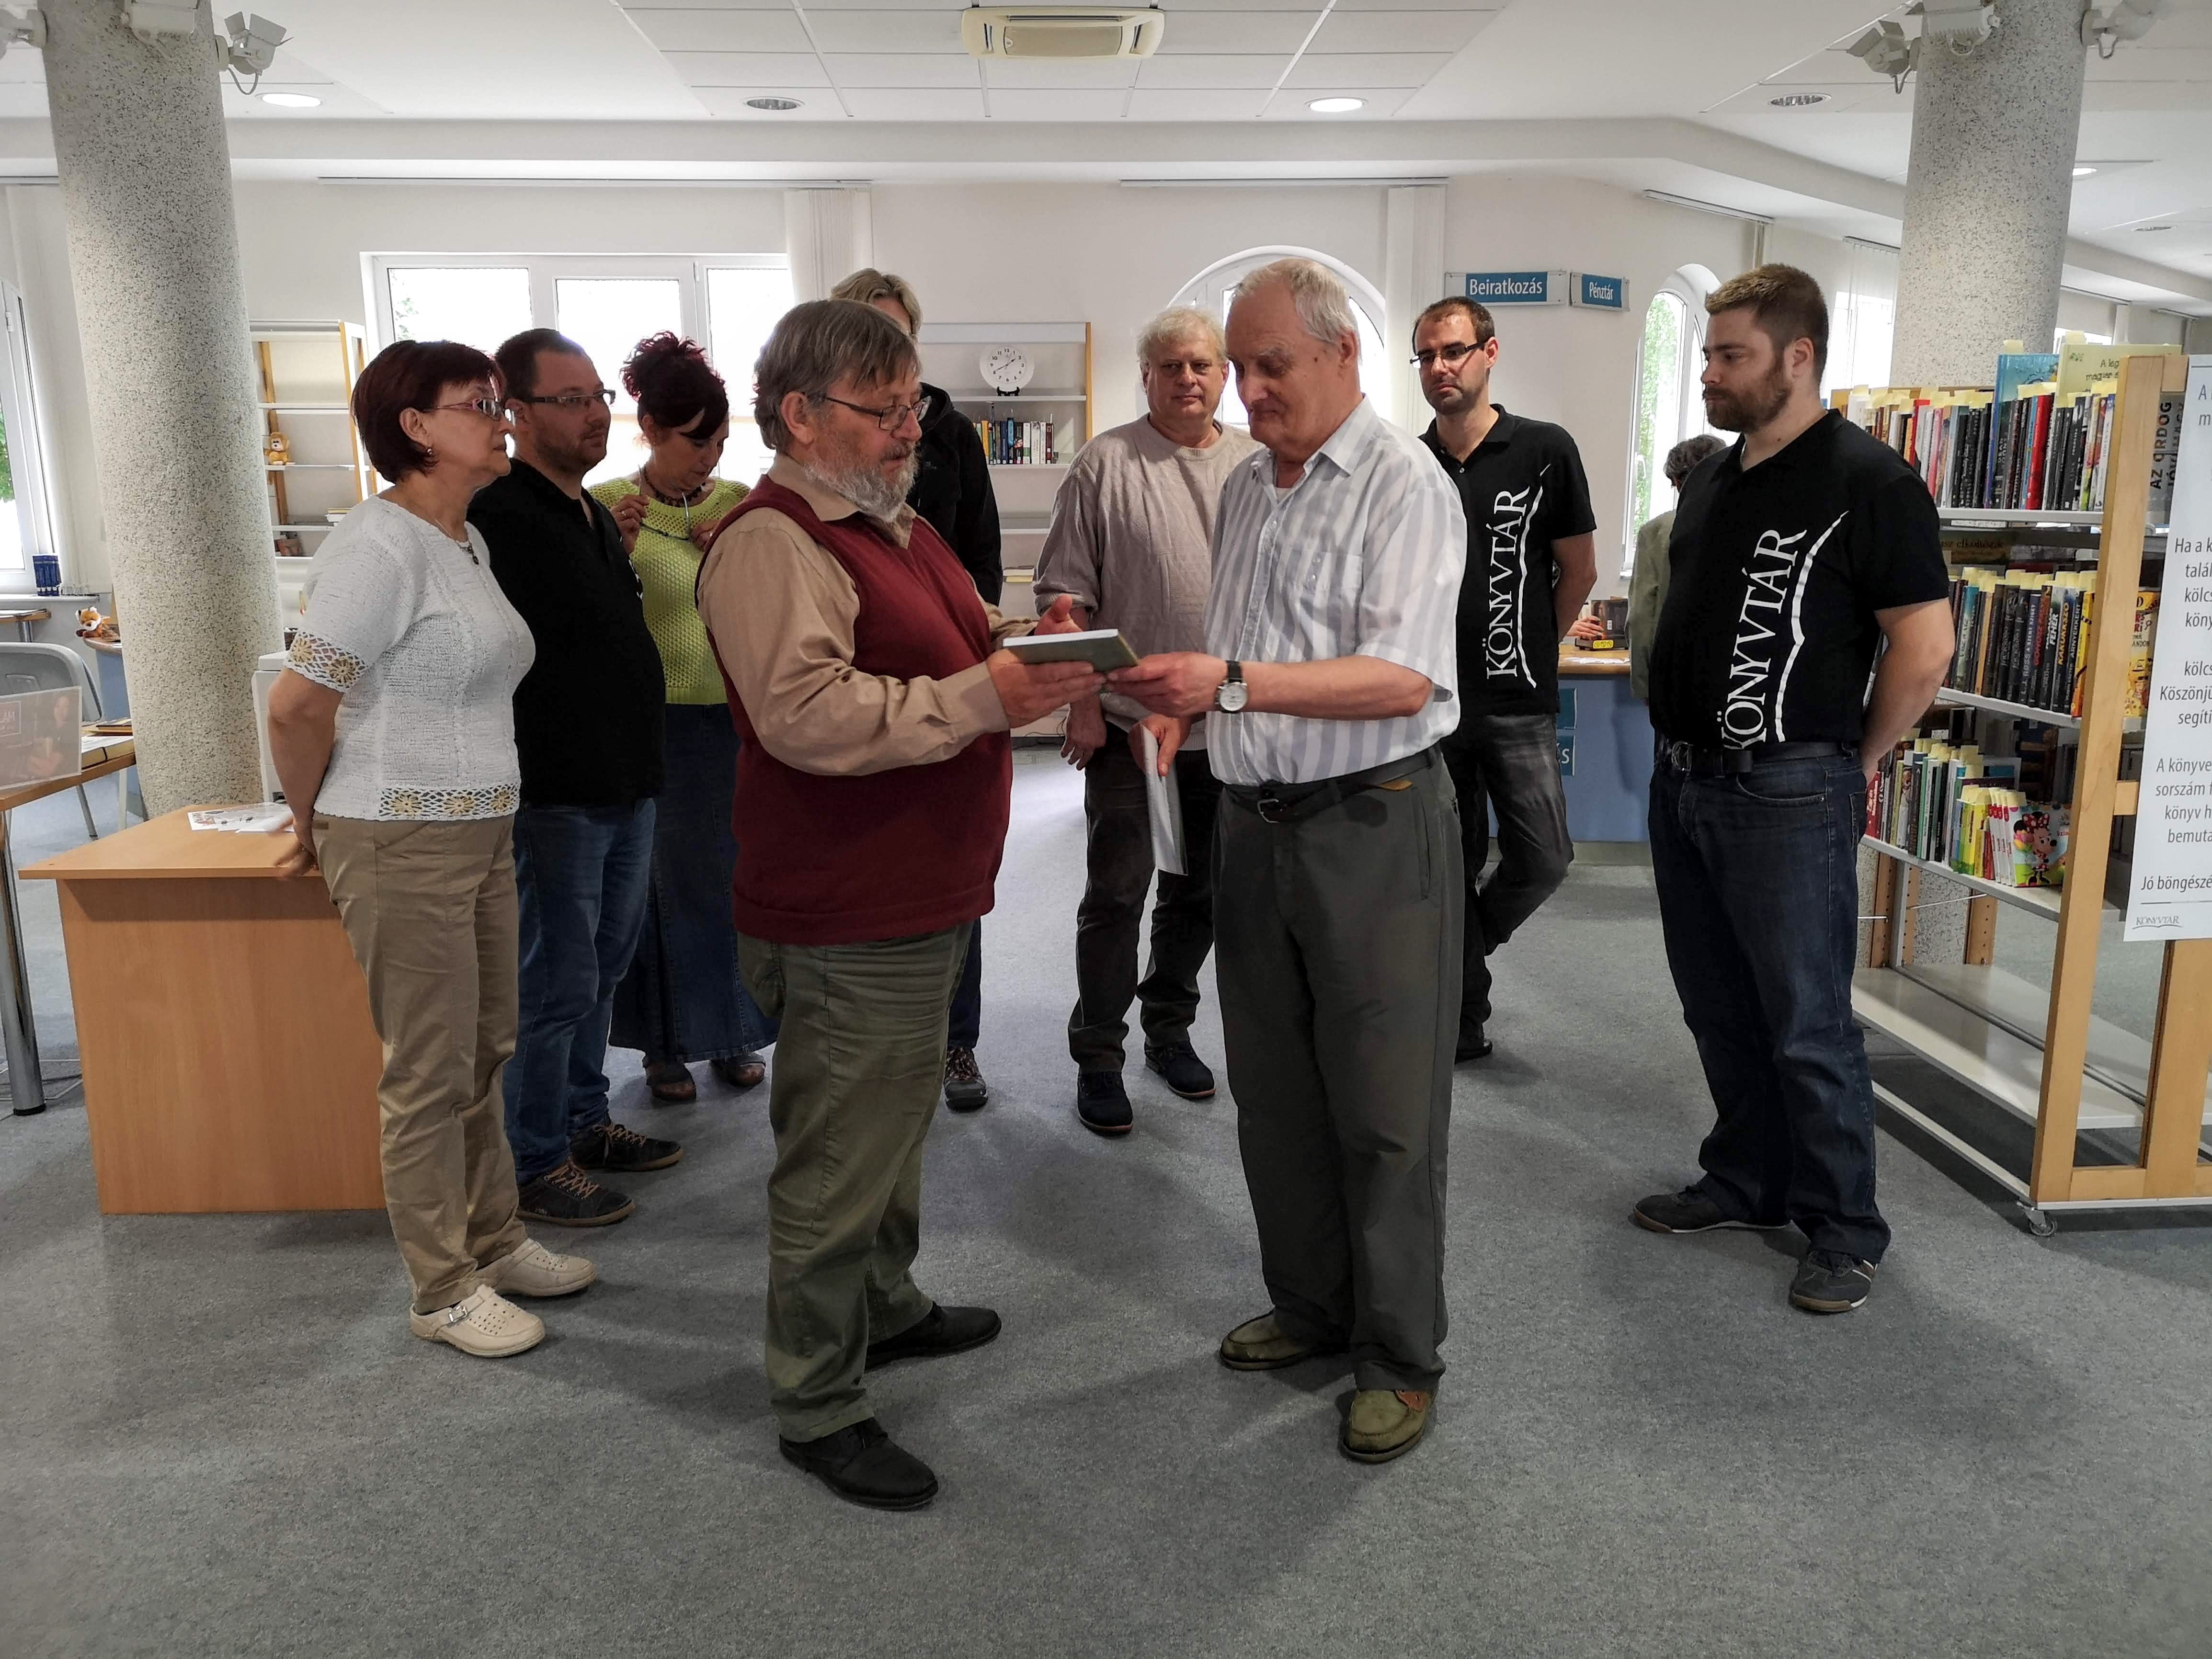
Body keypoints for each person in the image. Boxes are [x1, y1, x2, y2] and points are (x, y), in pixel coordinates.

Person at [696, 298, 1097, 1509]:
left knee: (889, 1125)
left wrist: (1032, 640)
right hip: (844, 905)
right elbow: (806, 716)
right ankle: (817, 1398)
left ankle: (884, 1302)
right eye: (881, 411)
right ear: (798, 415)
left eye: (911, 405)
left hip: (915, 891)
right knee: (836, 1157)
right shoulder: (773, 541)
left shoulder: (891, 523)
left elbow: (943, 649)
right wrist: (989, 694)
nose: (908, 430)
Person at [1109, 259, 1465, 1466]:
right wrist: (1192, 712)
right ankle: (1312, 1304)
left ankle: (1398, 1353)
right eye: (1240, 367)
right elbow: (1240, 650)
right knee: (1273, 1090)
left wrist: (1226, 684)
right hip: (1252, 822)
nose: (1248, 391)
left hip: (1373, 824)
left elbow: (1402, 678)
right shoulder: (1248, 489)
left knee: (1384, 1107)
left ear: (1342, 354)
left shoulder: (1404, 484)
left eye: (1272, 366)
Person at [1633, 265, 1953, 1316]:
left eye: (1729, 356)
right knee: (1716, 1004)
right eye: (1707, 355)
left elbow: (1923, 648)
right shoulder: (1713, 479)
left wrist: (1856, 761)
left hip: (1788, 787)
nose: (1708, 375)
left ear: (1797, 356)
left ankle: (1842, 1226)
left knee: (1806, 1020)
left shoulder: (1869, 481)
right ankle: (1745, 1180)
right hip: (1684, 781)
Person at [266, 339, 595, 1359]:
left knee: (485, 1049)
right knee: (426, 1067)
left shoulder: (462, 540)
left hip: (479, 828)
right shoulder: (378, 547)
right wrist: (308, 821)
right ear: (414, 427)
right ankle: (440, 1287)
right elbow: (296, 704)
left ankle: (493, 1239)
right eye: (478, 404)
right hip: (396, 830)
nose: (502, 418)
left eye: (500, 401)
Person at [469, 329, 678, 1228]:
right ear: (515, 412)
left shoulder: (588, 509)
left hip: (625, 782)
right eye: (571, 399)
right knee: (554, 984)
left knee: (601, 970)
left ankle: (586, 1123)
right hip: (554, 793)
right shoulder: (496, 515)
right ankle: (535, 1160)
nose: (595, 414)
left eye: (599, 397)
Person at [1033, 307, 1258, 1136]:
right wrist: (1083, 704)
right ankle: (1098, 1053)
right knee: (1116, 894)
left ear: (1223, 374)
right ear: (1146, 377)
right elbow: (1065, 600)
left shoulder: (1256, 463)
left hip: (1225, 725)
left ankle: (1168, 1028)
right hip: (1129, 727)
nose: (1187, 379)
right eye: (1170, 366)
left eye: (1201, 364)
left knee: (1199, 894)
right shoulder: (1105, 463)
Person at [828, 268, 1000, 1114]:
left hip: (951, 666)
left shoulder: (951, 432)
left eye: (894, 335)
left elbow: (979, 548)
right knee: (878, 859)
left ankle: (956, 1039)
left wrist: (990, 641)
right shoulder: (816, 473)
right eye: (862, 334)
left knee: (953, 859)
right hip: (868, 673)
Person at [1413, 296, 1597, 1062]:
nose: (1439, 367)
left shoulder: (1545, 449)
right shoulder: (1409, 463)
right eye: (1426, 355)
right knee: (1448, 864)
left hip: (1518, 702)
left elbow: (1578, 570)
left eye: (1453, 350)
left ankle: (1465, 952)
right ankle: (1462, 1017)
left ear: (1488, 353)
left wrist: (1534, 643)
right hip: (1433, 705)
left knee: (1544, 856)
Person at [593, 333, 776, 1106]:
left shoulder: (740, 505)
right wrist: (615, 552)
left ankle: (733, 1031)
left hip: (733, 720)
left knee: (734, 880)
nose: (710, 457)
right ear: (650, 429)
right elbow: (587, 625)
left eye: (720, 441)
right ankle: (663, 1047)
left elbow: (775, 604)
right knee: (653, 890)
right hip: (649, 724)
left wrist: (735, 552)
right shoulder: (607, 505)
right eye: (696, 441)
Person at [1626, 434, 1727, 701]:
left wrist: (1646, 688)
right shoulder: (1758, 525)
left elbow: (1641, 618)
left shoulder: (1658, 532)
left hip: (1676, 680)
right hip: (1741, 682)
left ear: (1678, 483)